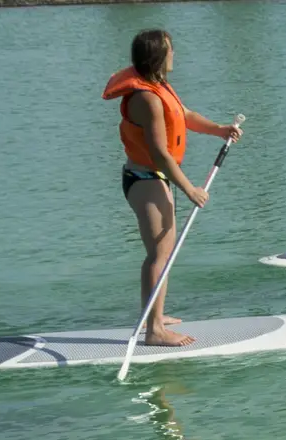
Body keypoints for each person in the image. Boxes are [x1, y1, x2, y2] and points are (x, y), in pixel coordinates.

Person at [102, 29, 242, 348]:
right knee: (159, 254)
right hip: (146, 180)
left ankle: (156, 313)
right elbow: (160, 153)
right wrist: (190, 188)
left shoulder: (159, 87)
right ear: (158, 56)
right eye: (170, 49)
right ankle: (154, 331)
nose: (174, 54)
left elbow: (185, 115)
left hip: (156, 178)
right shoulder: (147, 98)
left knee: (163, 252)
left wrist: (219, 129)